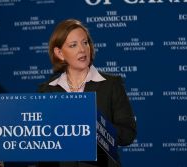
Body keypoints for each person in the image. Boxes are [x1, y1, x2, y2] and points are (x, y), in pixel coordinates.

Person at [37, 19, 137, 167]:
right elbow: (38, 140)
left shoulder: (111, 84)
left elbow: (128, 134)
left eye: (85, 43)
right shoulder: (47, 90)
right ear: (59, 53)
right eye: (73, 45)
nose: (82, 49)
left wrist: (99, 128)